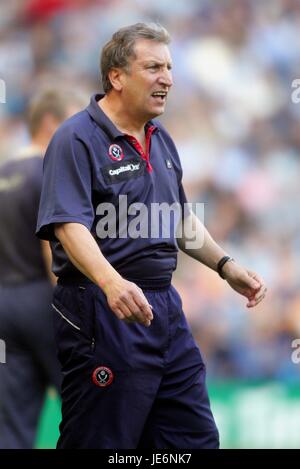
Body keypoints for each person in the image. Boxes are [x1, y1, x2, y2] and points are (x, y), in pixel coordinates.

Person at [36, 23, 267, 449]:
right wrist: (111, 283)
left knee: (192, 441)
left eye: (170, 68)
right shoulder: (75, 138)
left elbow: (176, 218)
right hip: (101, 308)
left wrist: (225, 265)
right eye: (154, 67)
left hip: (164, 309)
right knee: (102, 443)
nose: (168, 79)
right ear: (117, 77)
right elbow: (68, 224)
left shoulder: (160, 140)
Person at [0, 88, 86, 448]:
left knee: (13, 420)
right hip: (42, 301)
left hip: (3, 304)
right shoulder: (48, 171)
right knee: (88, 401)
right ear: (51, 123)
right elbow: (52, 252)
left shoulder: (4, 172)